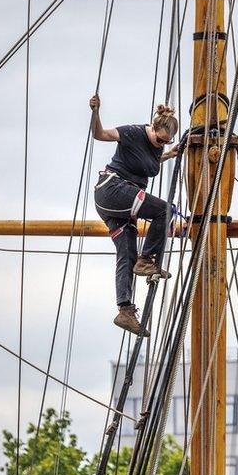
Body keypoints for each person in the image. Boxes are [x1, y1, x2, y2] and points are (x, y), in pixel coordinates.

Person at [90, 94, 180, 336]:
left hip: (119, 203)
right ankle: (147, 260)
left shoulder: (156, 150)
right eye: (160, 140)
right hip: (113, 189)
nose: (162, 144)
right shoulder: (132, 133)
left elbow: (145, 160)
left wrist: (169, 154)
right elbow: (100, 135)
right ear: (154, 128)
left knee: (126, 252)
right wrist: (95, 113)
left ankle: (125, 310)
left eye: (166, 143)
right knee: (164, 210)